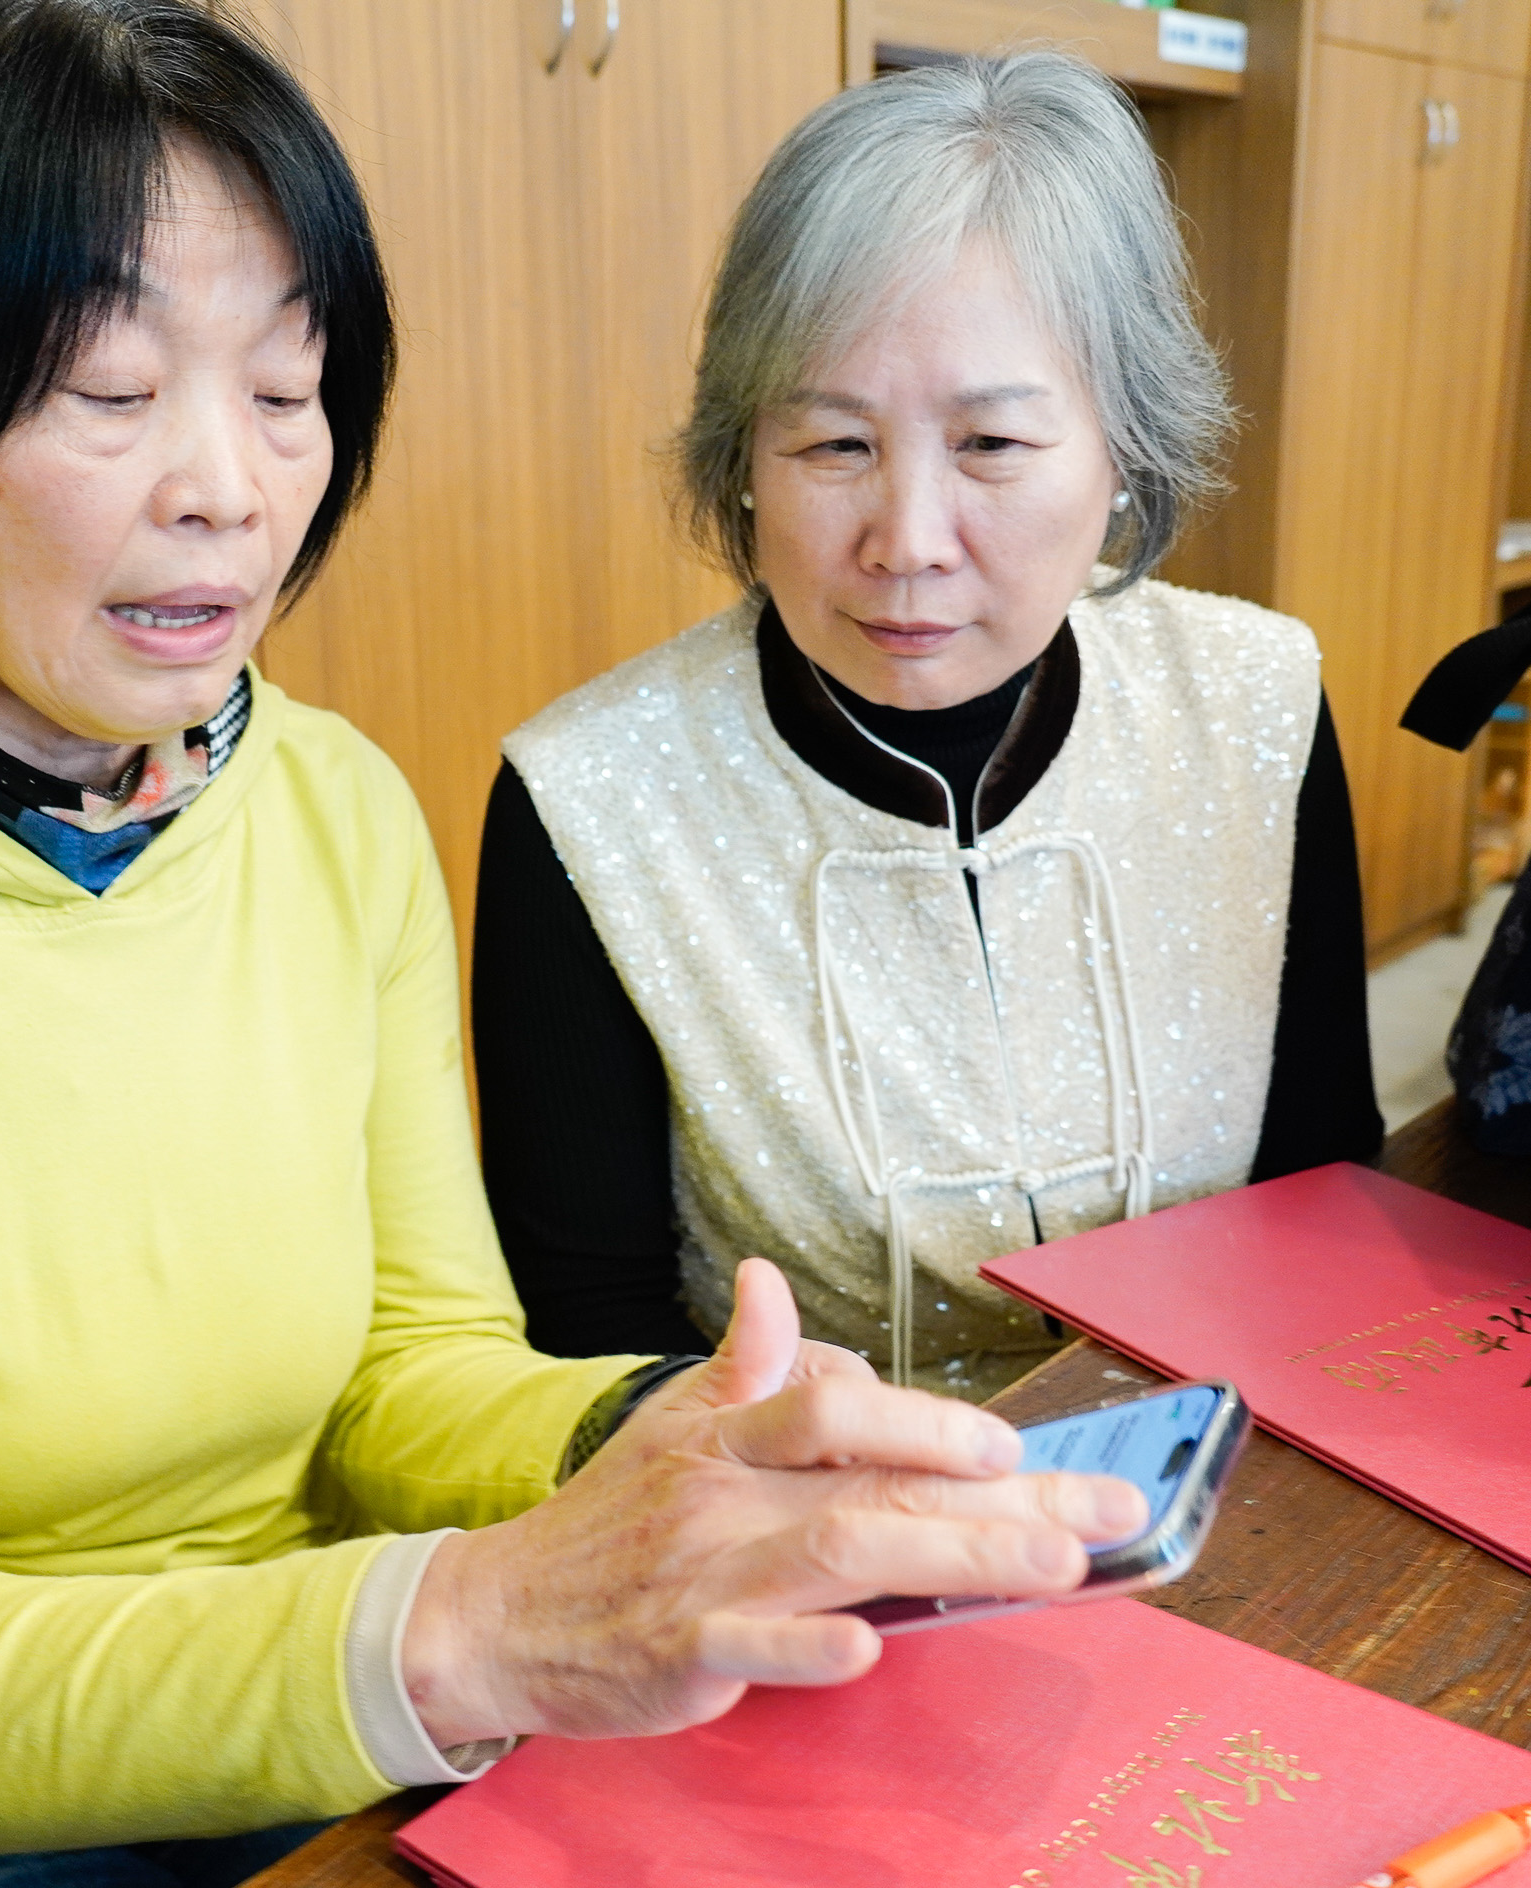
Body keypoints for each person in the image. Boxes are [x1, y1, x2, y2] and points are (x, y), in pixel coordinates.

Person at [0, 7, 1147, 1886]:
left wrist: (684, 1433)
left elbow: (411, 1372)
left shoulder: (324, 801)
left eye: (285, 390)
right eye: (108, 391)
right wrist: (475, 1622)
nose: (232, 490)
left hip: (325, 1722)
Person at [474, 54, 1384, 1394]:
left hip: (1223, 1464)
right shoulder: (592, 797)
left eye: (992, 448)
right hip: (798, 1522)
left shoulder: (1251, 700)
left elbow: (1324, 1184)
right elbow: (589, 1324)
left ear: (1124, 446)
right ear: (739, 466)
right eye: (834, 445)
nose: (906, 544)